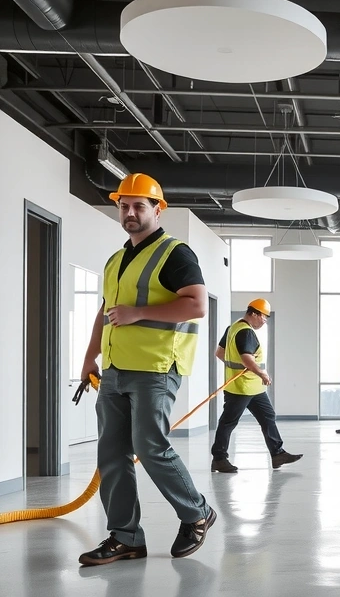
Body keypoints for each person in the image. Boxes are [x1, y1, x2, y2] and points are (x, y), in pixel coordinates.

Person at [78, 173, 217, 566]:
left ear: (158, 210)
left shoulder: (176, 253)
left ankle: (197, 513)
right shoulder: (116, 259)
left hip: (156, 367)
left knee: (149, 445)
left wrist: (138, 313)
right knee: (111, 453)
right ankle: (125, 537)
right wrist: (90, 357)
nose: (130, 212)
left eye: (140, 205)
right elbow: (106, 313)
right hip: (115, 369)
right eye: (124, 205)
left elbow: (196, 305)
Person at [211, 298, 302, 472]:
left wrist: (236, 365)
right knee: (228, 422)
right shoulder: (246, 332)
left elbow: (220, 353)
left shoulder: (233, 328)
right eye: (263, 316)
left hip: (252, 388)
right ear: (253, 313)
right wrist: (261, 373)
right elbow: (247, 358)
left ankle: (277, 454)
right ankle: (219, 458)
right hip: (242, 388)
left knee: (268, 416)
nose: (264, 320)